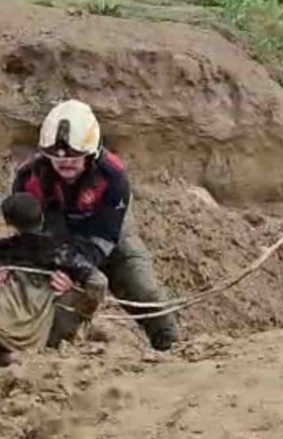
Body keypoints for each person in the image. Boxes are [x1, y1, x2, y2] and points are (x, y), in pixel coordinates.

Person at [10, 99, 177, 352]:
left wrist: (81, 269)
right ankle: (49, 350)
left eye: (75, 156)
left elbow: (105, 238)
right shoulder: (28, 180)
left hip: (110, 233)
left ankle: (172, 348)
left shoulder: (114, 177)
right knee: (64, 299)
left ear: (92, 152)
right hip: (58, 239)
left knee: (144, 290)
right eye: (55, 156)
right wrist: (58, 267)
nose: (66, 162)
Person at [0, 192, 108, 377]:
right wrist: (84, 305)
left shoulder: (0, 249)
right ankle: (6, 358)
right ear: (42, 217)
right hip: (29, 338)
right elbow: (98, 282)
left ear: (9, 224)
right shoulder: (61, 252)